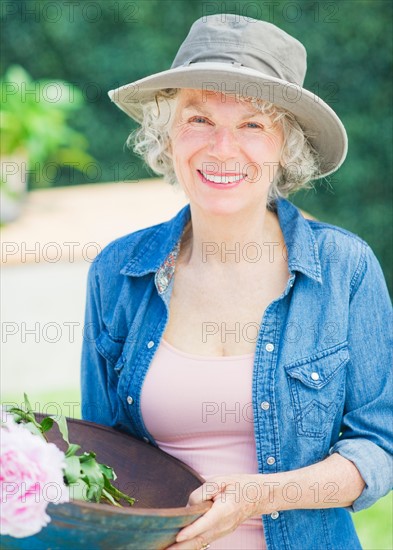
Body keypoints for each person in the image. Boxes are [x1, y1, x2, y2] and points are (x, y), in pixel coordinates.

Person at [81, 14, 392, 550]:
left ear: (285, 146)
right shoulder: (118, 272)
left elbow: (380, 446)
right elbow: (96, 459)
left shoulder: (346, 269)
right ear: (168, 135)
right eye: (199, 119)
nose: (222, 147)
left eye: (253, 124)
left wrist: (259, 496)